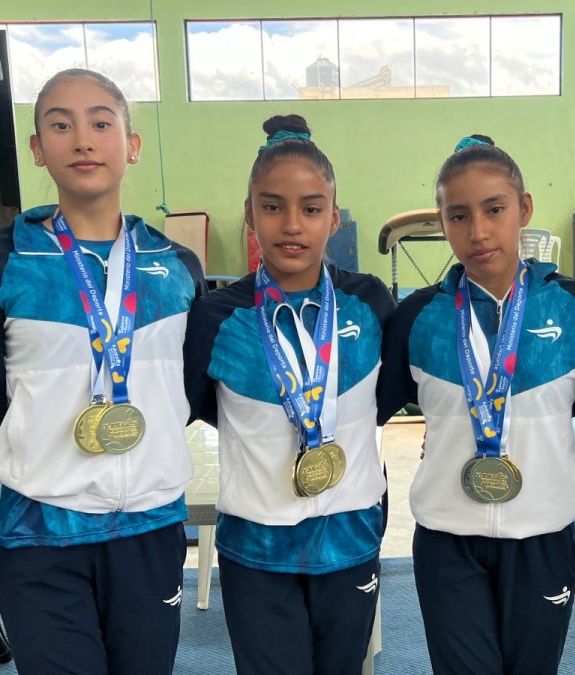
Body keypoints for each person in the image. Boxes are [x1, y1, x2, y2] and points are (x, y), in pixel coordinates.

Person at [0, 69, 204, 673]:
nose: (83, 139)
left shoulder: (177, 268)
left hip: (151, 533)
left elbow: (200, 396)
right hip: (40, 540)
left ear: (132, 144)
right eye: (60, 125)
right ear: (38, 149)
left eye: (101, 122)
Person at [377, 134, 575, 674]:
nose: (478, 231)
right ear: (442, 222)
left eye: (494, 209)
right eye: (458, 216)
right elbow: (370, 406)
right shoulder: (417, 318)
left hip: (544, 531)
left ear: (523, 209)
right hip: (448, 538)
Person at [183, 114, 394, 674]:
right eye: (272, 206)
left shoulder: (370, 304)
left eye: (311, 207)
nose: (292, 224)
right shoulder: (216, 316)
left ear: (334, 215)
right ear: (250, 214)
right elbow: (203, 406)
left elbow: (389, 396)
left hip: (350, 536)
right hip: (256, 546)